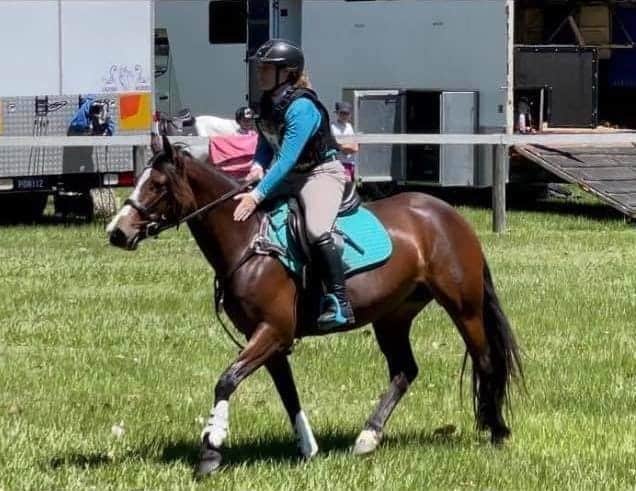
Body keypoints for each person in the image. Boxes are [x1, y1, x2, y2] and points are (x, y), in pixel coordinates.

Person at [233, 39, 354, 330]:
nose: (260, 73)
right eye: (259, 68)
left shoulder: (302, 107)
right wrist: (257, 166)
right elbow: (266, 143)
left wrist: (257, 194)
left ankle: (339, 302)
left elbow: (287, 158)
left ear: (286, 73)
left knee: (315, 229)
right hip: (290, 175)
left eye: (266, 68)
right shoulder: (267, 102)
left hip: (320, 173)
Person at [330, 101, 358, 181]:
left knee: (351, 183)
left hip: (351, 162)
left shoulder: (349, 126)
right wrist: (349, 147)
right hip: (339, 163)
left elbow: (355, 146)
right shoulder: (333, 127)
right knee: (344, 182)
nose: (344, 116)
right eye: (342, 113)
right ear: (337, 113)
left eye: (347, 113)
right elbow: (342, 147)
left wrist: (351, 147)